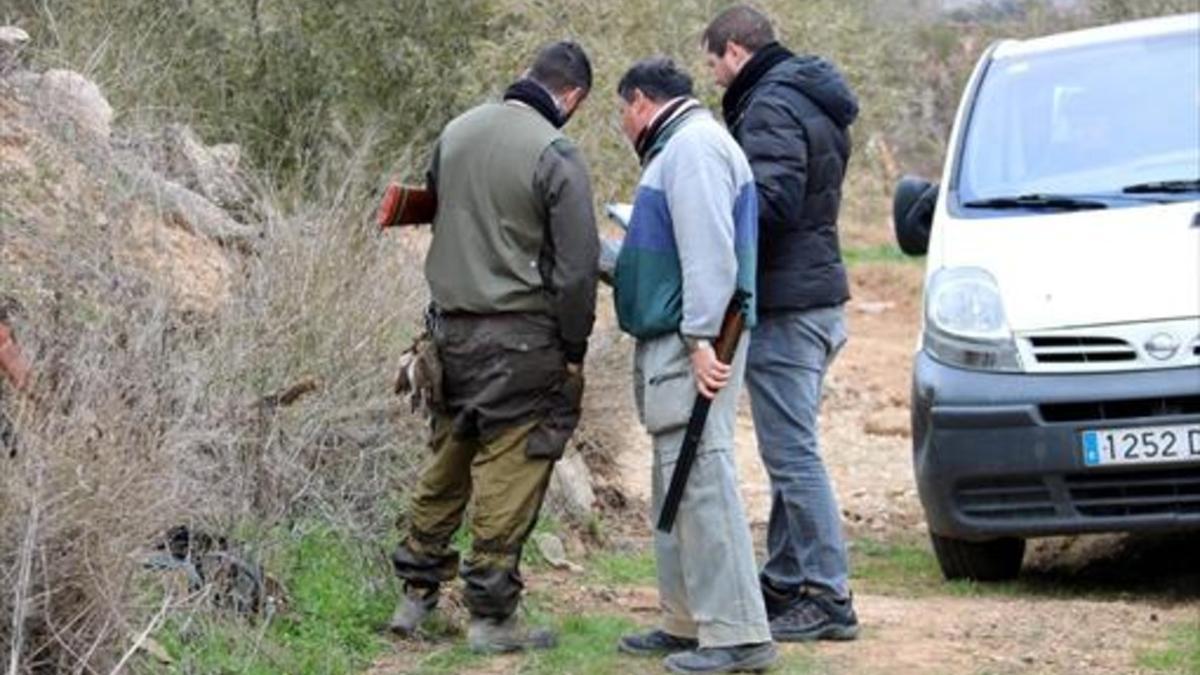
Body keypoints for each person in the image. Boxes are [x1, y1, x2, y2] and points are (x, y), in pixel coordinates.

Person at [388, 40, 600, 654]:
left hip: (448, 335)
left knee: (448, 458)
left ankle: (414, 598)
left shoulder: (456, 131)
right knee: (514, 468)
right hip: (522, 339)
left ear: (524, 76)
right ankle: (490, 616)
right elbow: (577, 268)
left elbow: (437, 208)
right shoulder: (556, 151)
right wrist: (574, 347)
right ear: (572, 96)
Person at [610, 56, 777, 674]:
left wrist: (702, 339)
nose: (624, 127)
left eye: (622, 113)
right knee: (675, 480)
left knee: (702, 478)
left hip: (698, 343)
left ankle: (739, 635)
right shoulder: (684, 147)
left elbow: (710, 251)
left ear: (640, 103)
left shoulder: (694, 149)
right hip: (682, 339)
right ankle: (687, 622)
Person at [702, 5, 861, 642]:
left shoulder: (768, 104)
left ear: (735, 51)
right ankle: (785, 577)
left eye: (712, 63)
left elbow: (771, 201)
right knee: (793, 447)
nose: (713, 78)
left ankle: (829, 596)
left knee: (792, 454)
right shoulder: (810, 95)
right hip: (819, 292)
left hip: (791, 304)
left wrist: (710, 221)